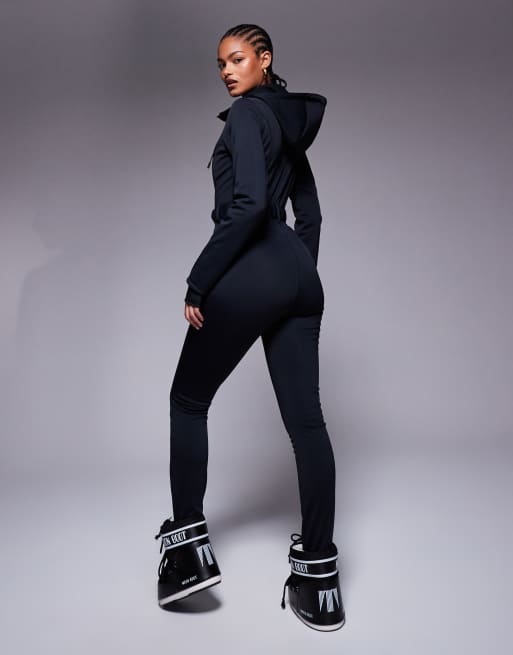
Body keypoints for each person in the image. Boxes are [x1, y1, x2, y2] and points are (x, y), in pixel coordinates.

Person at [153, 23, 346, 631]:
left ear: (265, 59)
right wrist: (294, 273)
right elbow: (309, 213)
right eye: (220, 63)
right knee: (307, 423)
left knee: (188, 401)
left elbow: (250, 205)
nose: (227, 71)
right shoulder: (288, 125)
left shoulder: (244, 116)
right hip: (299, 276)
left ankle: (188, 553)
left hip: (251, 264)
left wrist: (199, 280)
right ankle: (319, 581)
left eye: (237, 59)